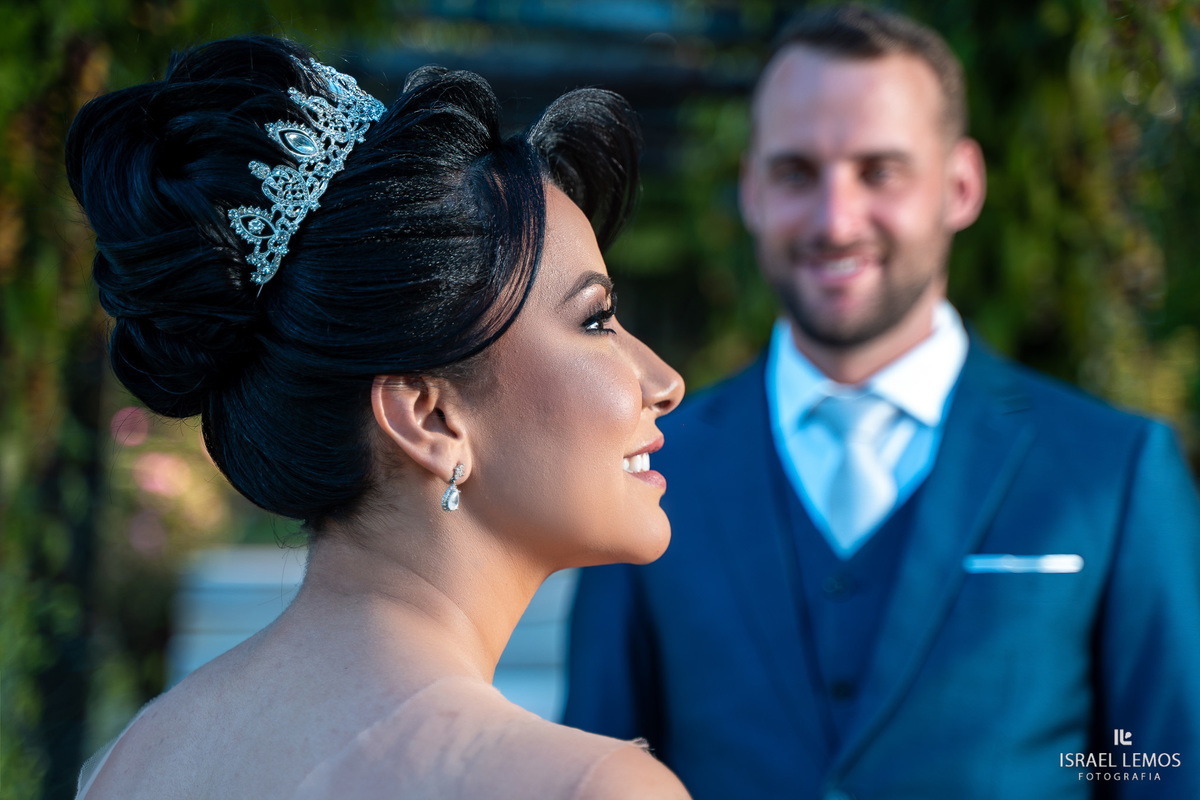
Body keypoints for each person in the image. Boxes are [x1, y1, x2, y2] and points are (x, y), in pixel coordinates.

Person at [564, 5, 1200, 799]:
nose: (836, 219)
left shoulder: (1114, 472)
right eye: (797, 171)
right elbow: (591, 764)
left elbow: (1168, 771)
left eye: (880, 170)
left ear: (961, 185)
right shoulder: (649, 462)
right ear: (753, 189)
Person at [67, 35, 690, 799]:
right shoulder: (585, 787)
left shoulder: (134, 765)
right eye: (597, 321)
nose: (664, 380)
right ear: (428, 416)